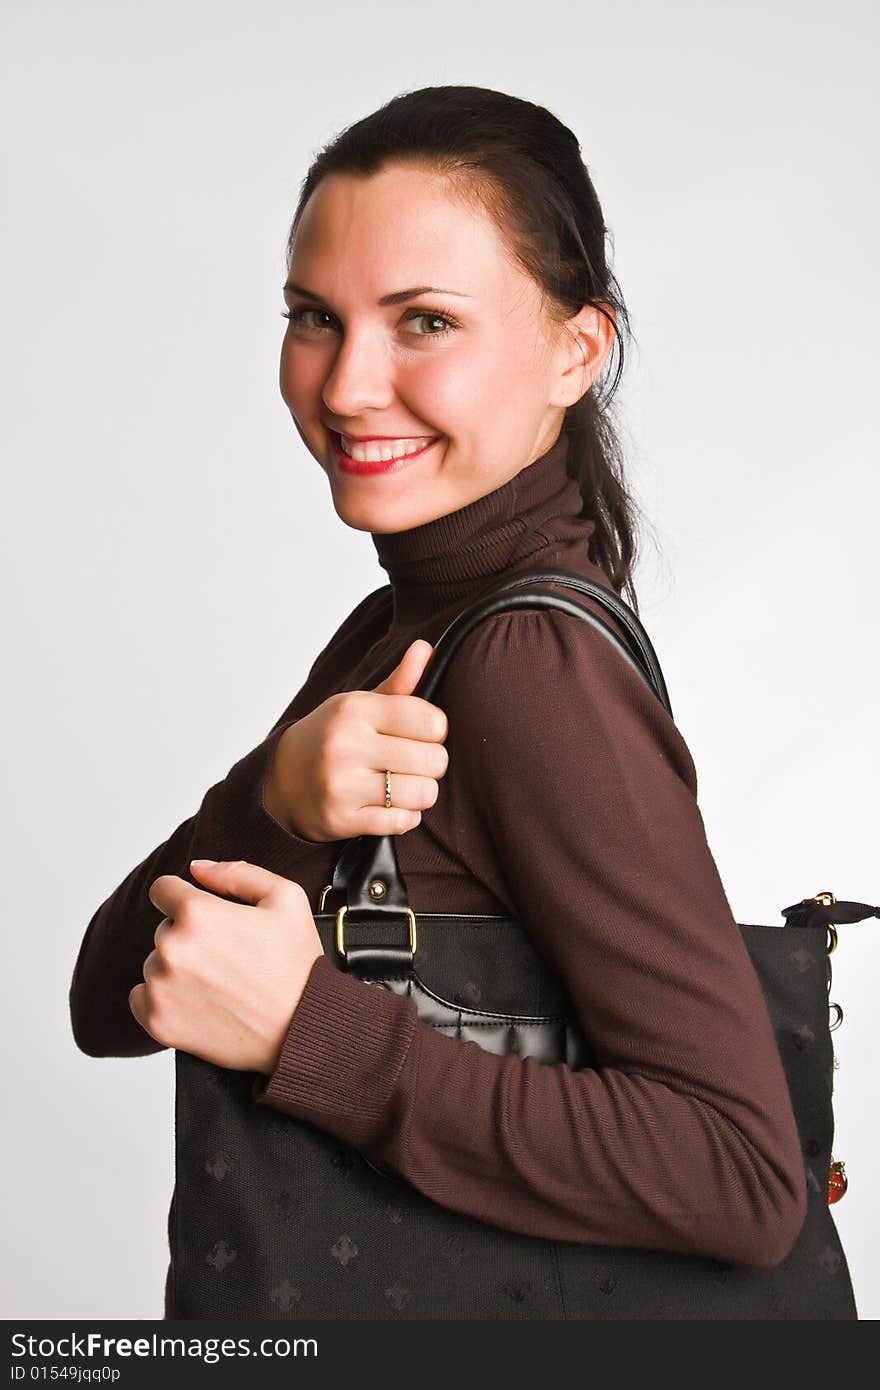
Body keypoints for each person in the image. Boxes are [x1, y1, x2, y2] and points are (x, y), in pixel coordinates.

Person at [69, 84, 807, 1320]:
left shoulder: (528, 665)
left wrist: (315, 1030)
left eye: (422, 321)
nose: (348, 384)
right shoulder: (405, 625)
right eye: (314, 316)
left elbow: (737, 1173)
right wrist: (277, 802)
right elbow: (117, 1000)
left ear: (576, 350)